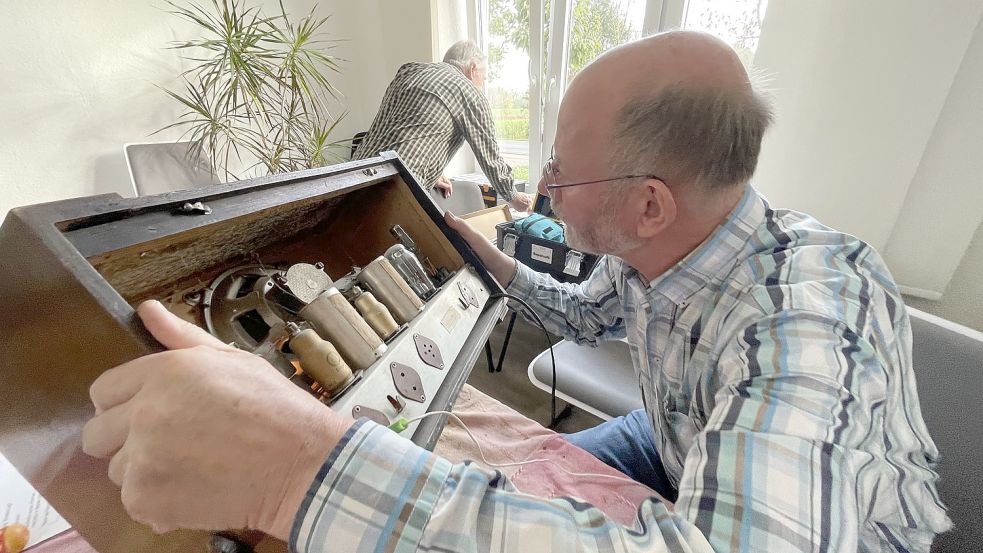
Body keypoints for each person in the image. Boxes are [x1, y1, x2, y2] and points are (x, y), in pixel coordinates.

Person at [81, 31, 951, 552]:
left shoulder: (807, 317)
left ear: (649, 204)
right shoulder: (671, 249)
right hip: (677, 435)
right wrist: (479, 255)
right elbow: (577, 312)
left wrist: (302, 469)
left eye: (561, 176)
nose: (541, 191)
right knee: (497, 479)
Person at [352, 40, 533, 211]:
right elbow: (490, 158)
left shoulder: (409, 71)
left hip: (354, 177)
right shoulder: (469, 92)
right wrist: (515, 198)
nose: (482, 85)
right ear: (472, 68)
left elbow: (395, 129)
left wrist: (431, 172)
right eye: (483, 78)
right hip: (392, 190)